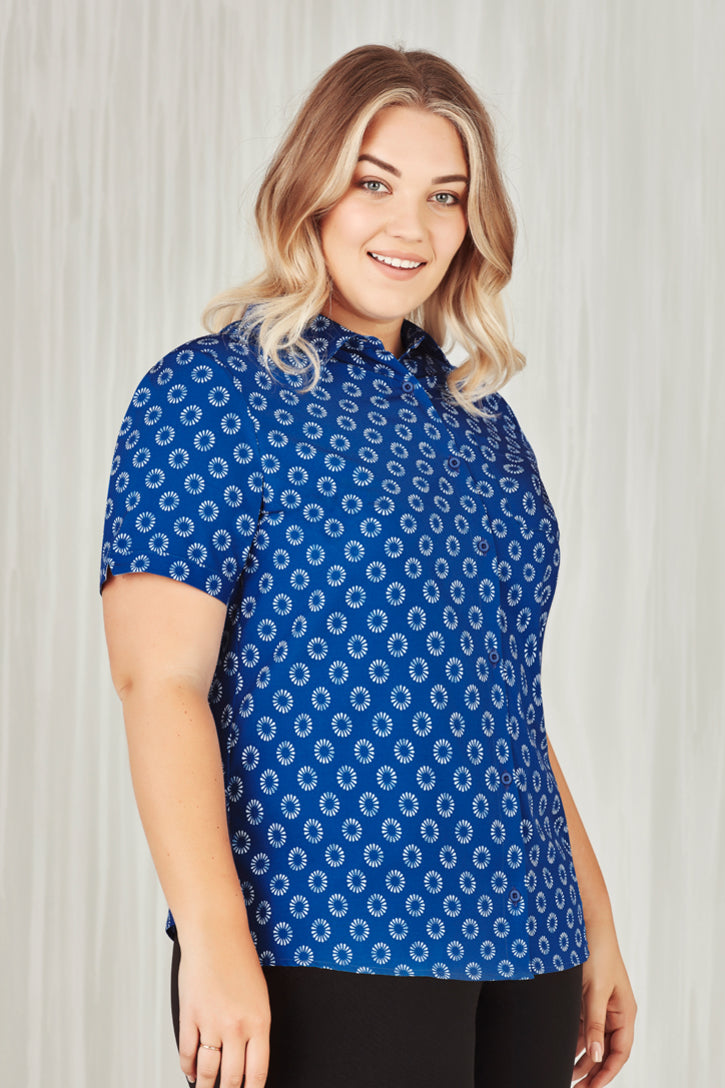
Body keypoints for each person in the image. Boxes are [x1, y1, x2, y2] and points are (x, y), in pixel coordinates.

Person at [100, 44, 636, 1088]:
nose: (411, 228)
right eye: (373, 182)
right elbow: (157, 682)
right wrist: (212, 938)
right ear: (311, 187)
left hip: (527, 938)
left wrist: (595, 917)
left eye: (445, 195)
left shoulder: (482, 424)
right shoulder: (214, 393)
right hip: (330, 930)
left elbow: (502, 698)